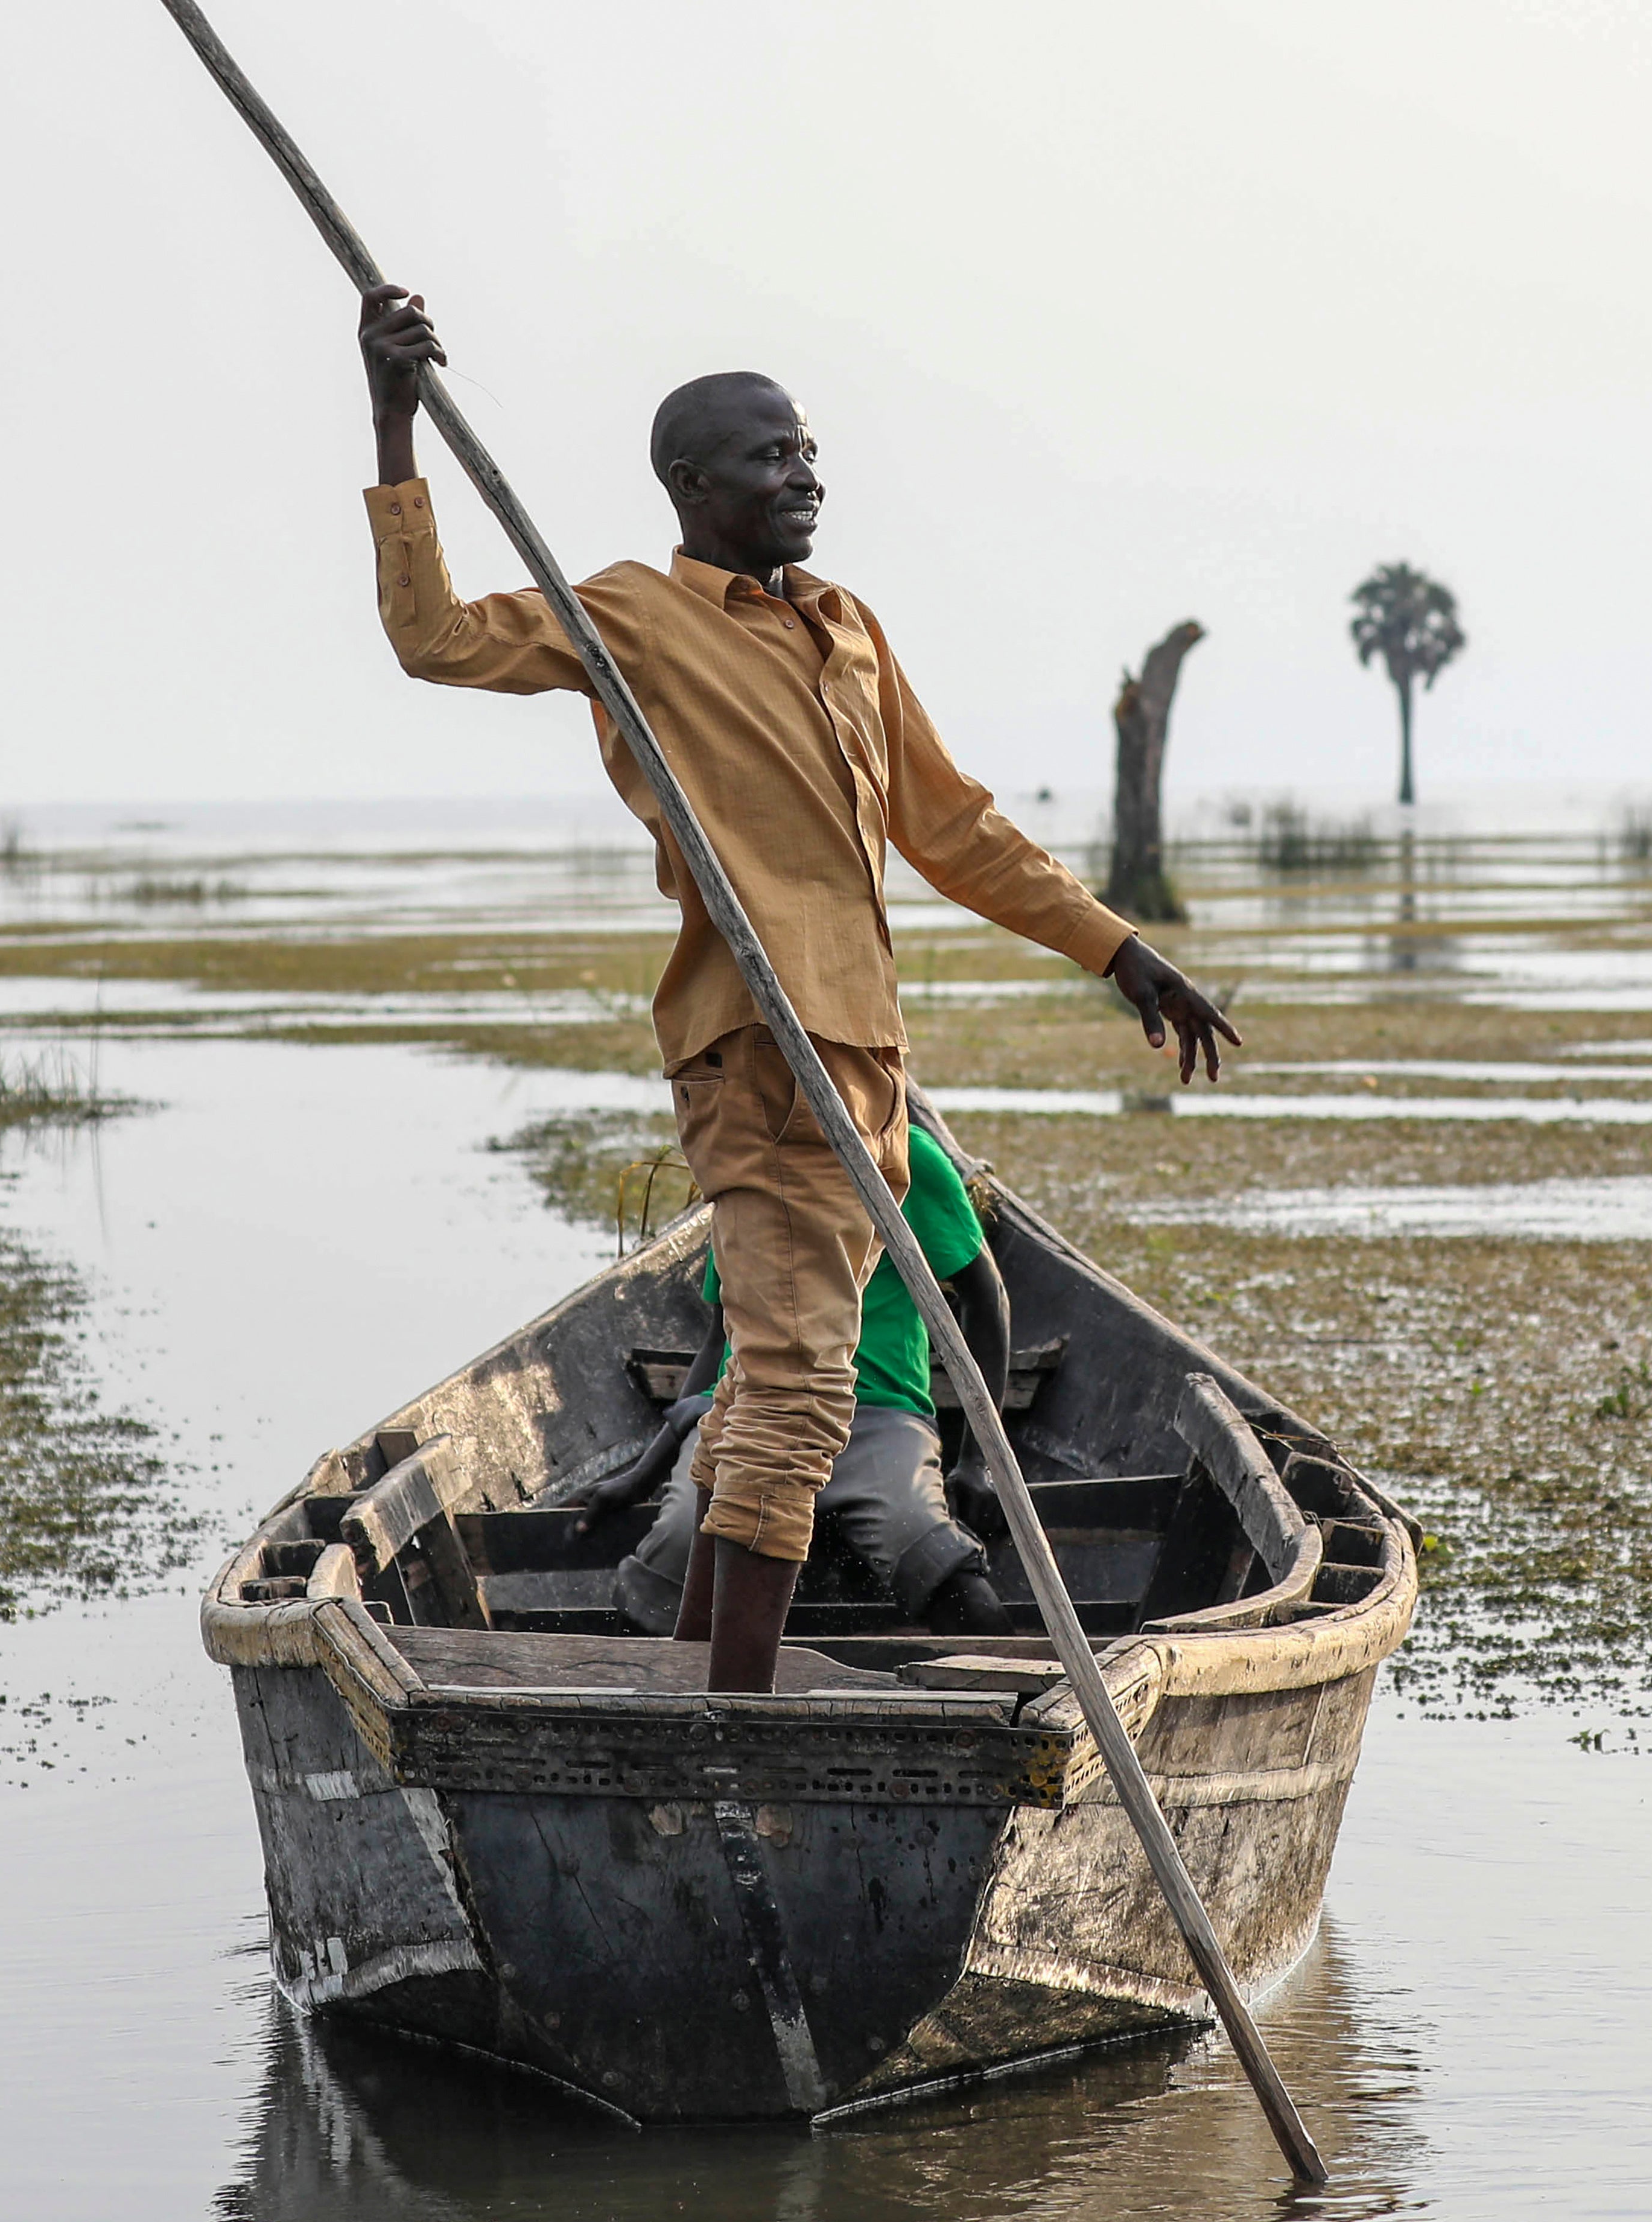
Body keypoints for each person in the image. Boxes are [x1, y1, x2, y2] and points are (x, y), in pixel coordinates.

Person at [357, 286, 1237, 1690]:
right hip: (759, 1052)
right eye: (770, 458)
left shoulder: (846, 630)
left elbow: (955, 832)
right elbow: (436, 637)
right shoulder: (633, 619)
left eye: (810, 453)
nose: (804, 476)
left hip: (864, 1058)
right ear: (693, 486)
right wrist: (395, 423)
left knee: (775, 1391)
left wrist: (1120, 949)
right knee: (795, 1396)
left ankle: (703, 1679)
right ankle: (733, 1716)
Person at [587, 1124, 1017, 1635]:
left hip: (876, 1413)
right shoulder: (744, 1158)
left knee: (939, 1565)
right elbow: (718, 1339)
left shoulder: (906, 1154)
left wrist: (980, 1463)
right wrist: (647, 1468)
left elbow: (987, 1300)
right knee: (667, 1567)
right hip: (747, 1410)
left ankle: (1003, 1694)